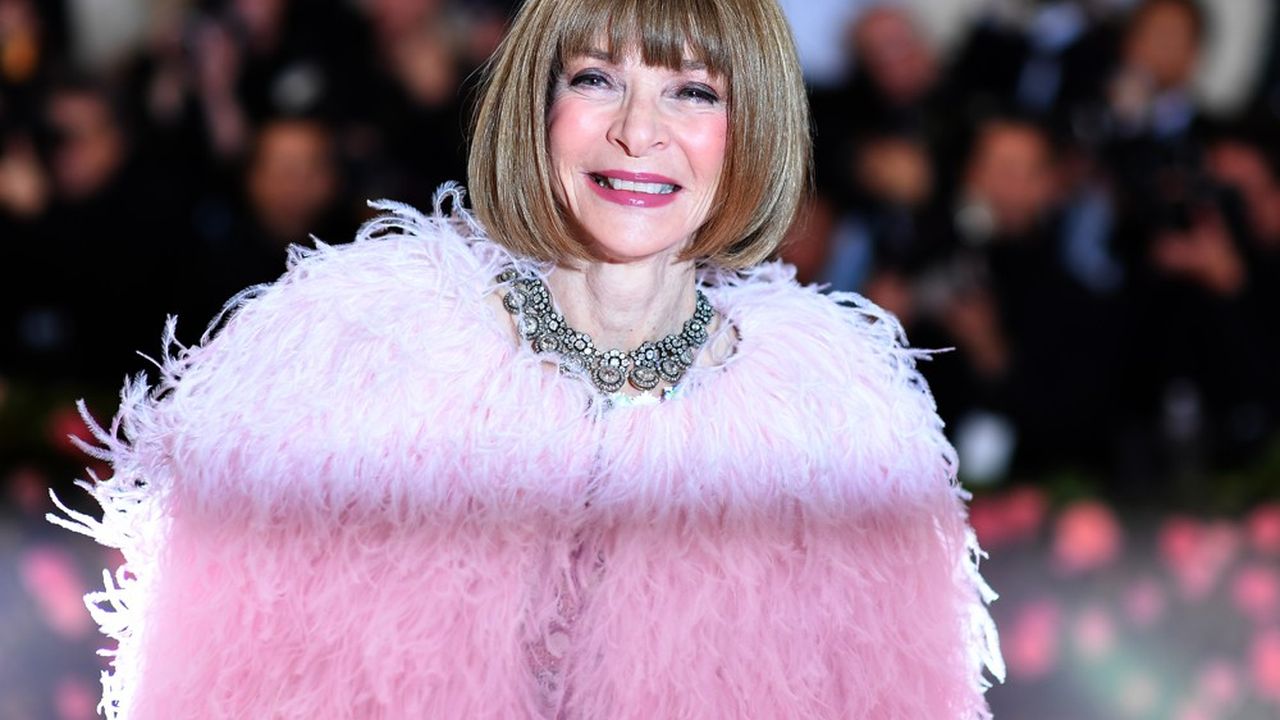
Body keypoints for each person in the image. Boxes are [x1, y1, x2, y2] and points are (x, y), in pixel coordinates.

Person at [50, 0, 1003, 717]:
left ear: (751, 131)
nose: (639, 129)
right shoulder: (358, 349)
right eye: (596, 79)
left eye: (692, 90)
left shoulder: (838, 417)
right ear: (534, 109)